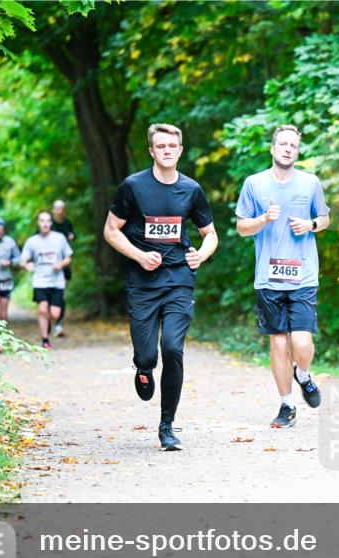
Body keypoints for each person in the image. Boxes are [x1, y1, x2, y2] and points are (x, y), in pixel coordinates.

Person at [103, 123, 218, 452]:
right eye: (161, 146)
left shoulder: (191, 190)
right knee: (149, 355)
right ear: (151, 151)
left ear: (180, 150)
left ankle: (167, 426)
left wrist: (201, 256)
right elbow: (112, 230)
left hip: (179, 279)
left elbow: (210, 234)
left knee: (172, 348)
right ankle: (143, 367)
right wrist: (139, 256)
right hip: (142, 283)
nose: (167, 150)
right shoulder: (133, 186)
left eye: (173, 146)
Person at [235, 124, 330, 428]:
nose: (288, 149)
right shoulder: (254, 183)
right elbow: (241, 227)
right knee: (278, 344)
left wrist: (311, 225)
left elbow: (325, 218)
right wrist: (263, 219)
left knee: (301, 343)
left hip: (303, 275)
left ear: (297, 151)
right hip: (268, 277)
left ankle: (302, 374)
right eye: (283, 144)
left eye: (294, 145)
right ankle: (286, 405)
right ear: (273, 149)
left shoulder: (310, 182)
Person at [20, 211, 72, 350]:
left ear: (51, 223)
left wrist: (60, 264)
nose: (45, 223)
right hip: (40, 281)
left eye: (48, 221)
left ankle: (48, 323)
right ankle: (45, 340)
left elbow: (68, 257)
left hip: (57, 282)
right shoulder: (32, 241)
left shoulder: (59, 238)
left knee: (55, 314)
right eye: (42, 220)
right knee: (43, 310)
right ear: (38, 223)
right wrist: (27, 265)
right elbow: (22, 260)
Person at [51, 199, 76, 338]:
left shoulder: (67, 223)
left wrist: (72, 236)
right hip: (48, 266)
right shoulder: (48, 223)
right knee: (49, 296)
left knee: (60, 295)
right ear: (53, 209)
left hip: (64, 263)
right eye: (57, 208)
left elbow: (73, 234)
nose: (60, 211)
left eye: (62, 208)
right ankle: (49, 319)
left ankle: (58, 324)